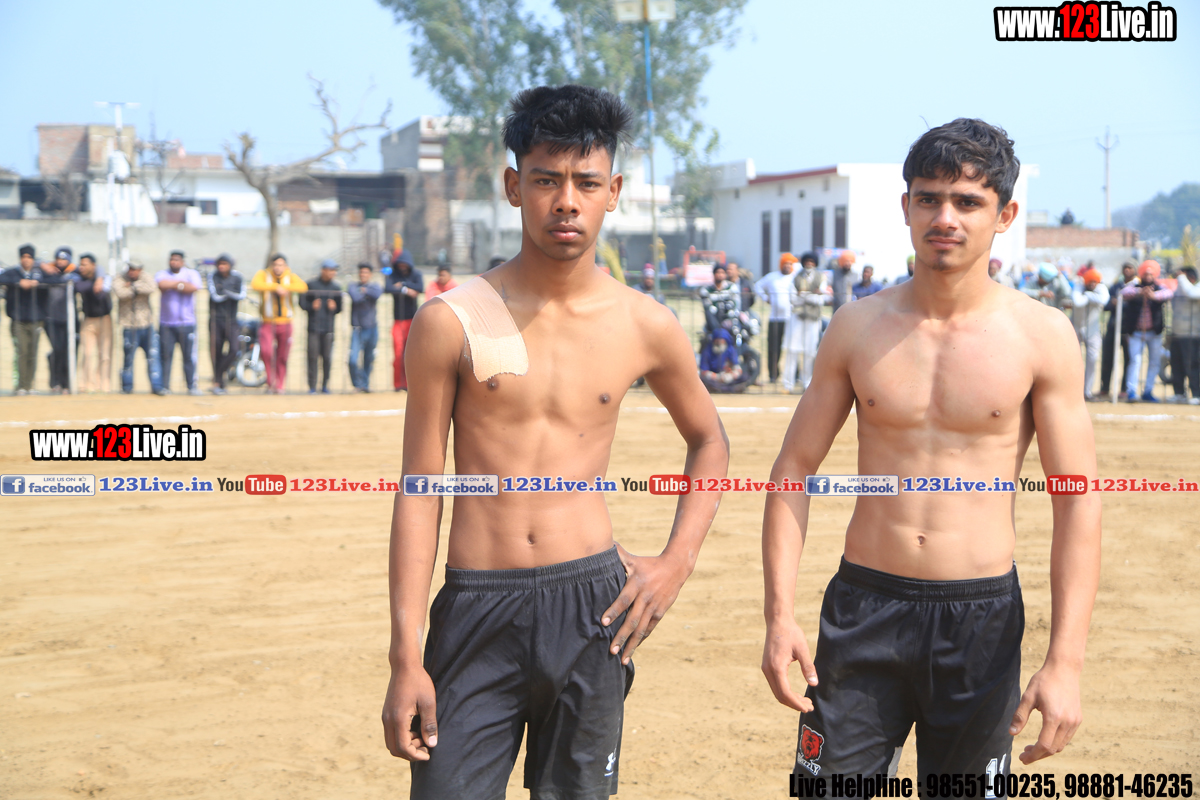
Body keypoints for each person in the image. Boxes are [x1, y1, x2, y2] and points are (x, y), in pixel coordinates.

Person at [381, 84, 729, 800]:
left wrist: (676, 562)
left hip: (592, 608)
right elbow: (421, 489)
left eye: (586, 183)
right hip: (478, 604)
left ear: (613, 193)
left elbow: (709, 440)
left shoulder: (644, 323)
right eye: (546, 180)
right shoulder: (453, 320)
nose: (566, 202)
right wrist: (404, 656)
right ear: (514, 187)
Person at [762, 118, 1100, 780]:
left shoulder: (1042, 336)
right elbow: (792, 471)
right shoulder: (856, 327)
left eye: (968, 202)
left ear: (1004, 215)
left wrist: (1066, 661)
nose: (945, 218)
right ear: (906, 206)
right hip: (863, 609)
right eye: (929, 199)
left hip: (981, 621)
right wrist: (779, 616)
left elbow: (1077, 501)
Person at [0, 244, 62, 394]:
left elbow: (57, 279)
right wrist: (19, 282)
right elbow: (2, 278)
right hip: (18, 319)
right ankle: (21, 386)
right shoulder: (14, 272)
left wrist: (38, 281)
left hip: (36, 319)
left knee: (33, 352)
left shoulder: (39, 272)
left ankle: (30, 386)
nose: (26, 260)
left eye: (29, 257)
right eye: (24, 257)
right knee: (22, 351)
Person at [251, 253, 308, 394]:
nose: (278, 268)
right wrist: (275, 287)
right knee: (266, 351)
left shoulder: (290, 276)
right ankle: (270, 381)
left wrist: (285, 288)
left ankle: (280, 384)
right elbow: (255, 284)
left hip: (285, 322)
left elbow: (303, 287)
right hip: (268, 321)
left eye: (281, 265)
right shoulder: (264, 275)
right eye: (275, 265)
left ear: (285, 266)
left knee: (283, 355)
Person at [1121, 259, 1172, 403]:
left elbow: (1169, 293)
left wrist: (1153, 296)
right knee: (1135, 361)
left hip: (1154, 332)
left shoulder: (1159, 287)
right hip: (1136, 332)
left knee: (1154, 362)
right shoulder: (1135, 286)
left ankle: (1148, 391)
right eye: (1146, 274)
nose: (1148, 276)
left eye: (1151, 274)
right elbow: (1124, 292)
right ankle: (1132, 391)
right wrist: (1139, 292)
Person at [113, 261, 165, 395]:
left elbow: (151, 288)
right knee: (128, 358)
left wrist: (132, 286)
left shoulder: (146, 276)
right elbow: (120, 292)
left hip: (146, 324)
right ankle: (127, 387)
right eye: (130, 269)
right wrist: (136, 288)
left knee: (153, 356)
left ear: (140, 270)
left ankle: (157, 386)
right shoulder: (120, 277)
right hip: (129, 325)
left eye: (135, 269)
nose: (132, 272)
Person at [156, 250, 203, 395]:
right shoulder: (162, 273)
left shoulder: (191, 274)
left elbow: (193, 287)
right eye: (171, 260)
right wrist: (180, 284)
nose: (174, 262)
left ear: (182, 262)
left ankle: (191, 386)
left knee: (188, 357)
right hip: (166, 324)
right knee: (166, 356)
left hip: (187, 324)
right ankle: (165, 386)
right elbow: (161, 284)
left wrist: (175, 285)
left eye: (177, 260)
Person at [783, 252, 826, 393]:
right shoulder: (796, 277)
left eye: (812, 261)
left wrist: (803, 295)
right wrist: (812, 294)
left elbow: (821, 300)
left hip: (813, 319)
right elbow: (793, 299)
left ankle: (807, 384)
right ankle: (787, 384)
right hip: (797, 318)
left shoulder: (821, 278)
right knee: (792, 350)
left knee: (810, 352)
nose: (809, 264)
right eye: (807, 261)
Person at [755, 253, 799, 382]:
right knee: (774, 348)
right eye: (786, 264)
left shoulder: (795, 278)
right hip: (775, 318)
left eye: (790, 264)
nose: (787, 266)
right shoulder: (772, 277)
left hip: (790, 318)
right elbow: (757, 286)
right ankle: (773, 374)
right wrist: (765, 298)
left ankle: (794, 375)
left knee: (792, 347)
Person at [301, 259, 343, 394]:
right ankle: (312, 386)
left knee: (327, 357)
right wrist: (311, 306)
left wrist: (334, 307)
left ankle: (325, 385)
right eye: (330, 270)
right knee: (312, 357)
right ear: (323, 270)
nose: (333, 273)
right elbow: (302, 303)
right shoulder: (311, 285)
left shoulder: (336, 287)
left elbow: (340, 308)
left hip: (329, 327)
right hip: (313, 327)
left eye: (334, 270)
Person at [42, 246, 80, 393]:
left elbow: (81, 277)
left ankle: (67, 383)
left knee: (68, 351)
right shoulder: (48, 272)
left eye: (64, 259)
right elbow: (36, 266)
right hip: (52, 319)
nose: (60, 262)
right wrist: (44, 265)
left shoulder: (75, 273)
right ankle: (55, 382)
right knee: (57, 350)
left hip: (70, 320)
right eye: (58, 259)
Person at [207, 253, 245, 395]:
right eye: (219, 264)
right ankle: (219, 383)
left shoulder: (238, 277)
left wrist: (227, 292)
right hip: (216, 319)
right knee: (216, 351)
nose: (222, 267)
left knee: (234, 349)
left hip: (232, 320)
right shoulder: (213, 276)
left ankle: (218, 376)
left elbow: (241, 295)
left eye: (225, 264)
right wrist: (228, 293)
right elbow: (215, 296)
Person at [385, 251, 423, 392]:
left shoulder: (416, 274)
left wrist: (402, 286)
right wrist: (407, 290)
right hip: (398, 320)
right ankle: (398, 384)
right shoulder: (393, 275)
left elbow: (420, 287)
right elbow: (388, 288)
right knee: (398, 353)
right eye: (400, 264)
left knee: (411, 354)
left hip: (412, 320)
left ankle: (409, 384)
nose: (402, 267)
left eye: (404, 264)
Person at [76, 253, 113, 393]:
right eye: (81, 264)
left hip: (105, 319)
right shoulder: (80, 278)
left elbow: (103, 292)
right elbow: (80, 288)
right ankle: (86, 385)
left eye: (85, 264)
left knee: (105, 355)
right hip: (88, 320)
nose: (82, 267)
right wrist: (96, 281)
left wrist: (100, 278)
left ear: (93, 265)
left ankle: (103, 385)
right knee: (87, 353)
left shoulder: (104, 278)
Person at [1100, 261, 1137, 398]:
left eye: (1130, 268)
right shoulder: (1116, 286)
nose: (1127, 270)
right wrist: (1114, 303)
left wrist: (1123, 304)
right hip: (1113, 327)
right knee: (1107, 358)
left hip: (1128, 329)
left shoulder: (1137, 287)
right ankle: (1104, 388)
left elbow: (1136, 306)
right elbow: (1105, 305)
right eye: (1125, 268)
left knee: (1128, 359)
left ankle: (1124, 389)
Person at [1071, 268, 1109, 401]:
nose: (1092, 284)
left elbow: (1104, 300)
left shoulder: (1101, 288)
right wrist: (1090, 296)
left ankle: (1087, 392)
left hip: (1093, 330)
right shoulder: (1078, 286)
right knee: (1074, 360)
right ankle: (1072, 391)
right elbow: (1077, 301)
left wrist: (1087, 295)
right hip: (1076, 328)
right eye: (1090, 282)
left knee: (1092, 360)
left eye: (1094, 282)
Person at [347, 263, 383, 392]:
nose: (363, 275)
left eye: (366, 272)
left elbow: (377, 294)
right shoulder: (352, 286)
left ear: (370, 274)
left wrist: (365, 291)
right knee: (353, 359)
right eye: (361, 272)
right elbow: (355, 297)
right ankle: (357, 384)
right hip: (357, 328)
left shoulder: (374, 286)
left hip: (372, 328)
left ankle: (365, 385)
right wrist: (366, 293)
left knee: (368, 358)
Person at [1169, 266, 1200, 404]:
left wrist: (1182, 277)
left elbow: (1192, 294)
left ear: (1191, 278)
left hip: (1192, 335)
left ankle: (1196, 394)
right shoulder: (1178, 289)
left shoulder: (1196, 287)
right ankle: (1179, 393)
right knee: (1176, 365)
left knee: (1192, 365)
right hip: (1177, 334)